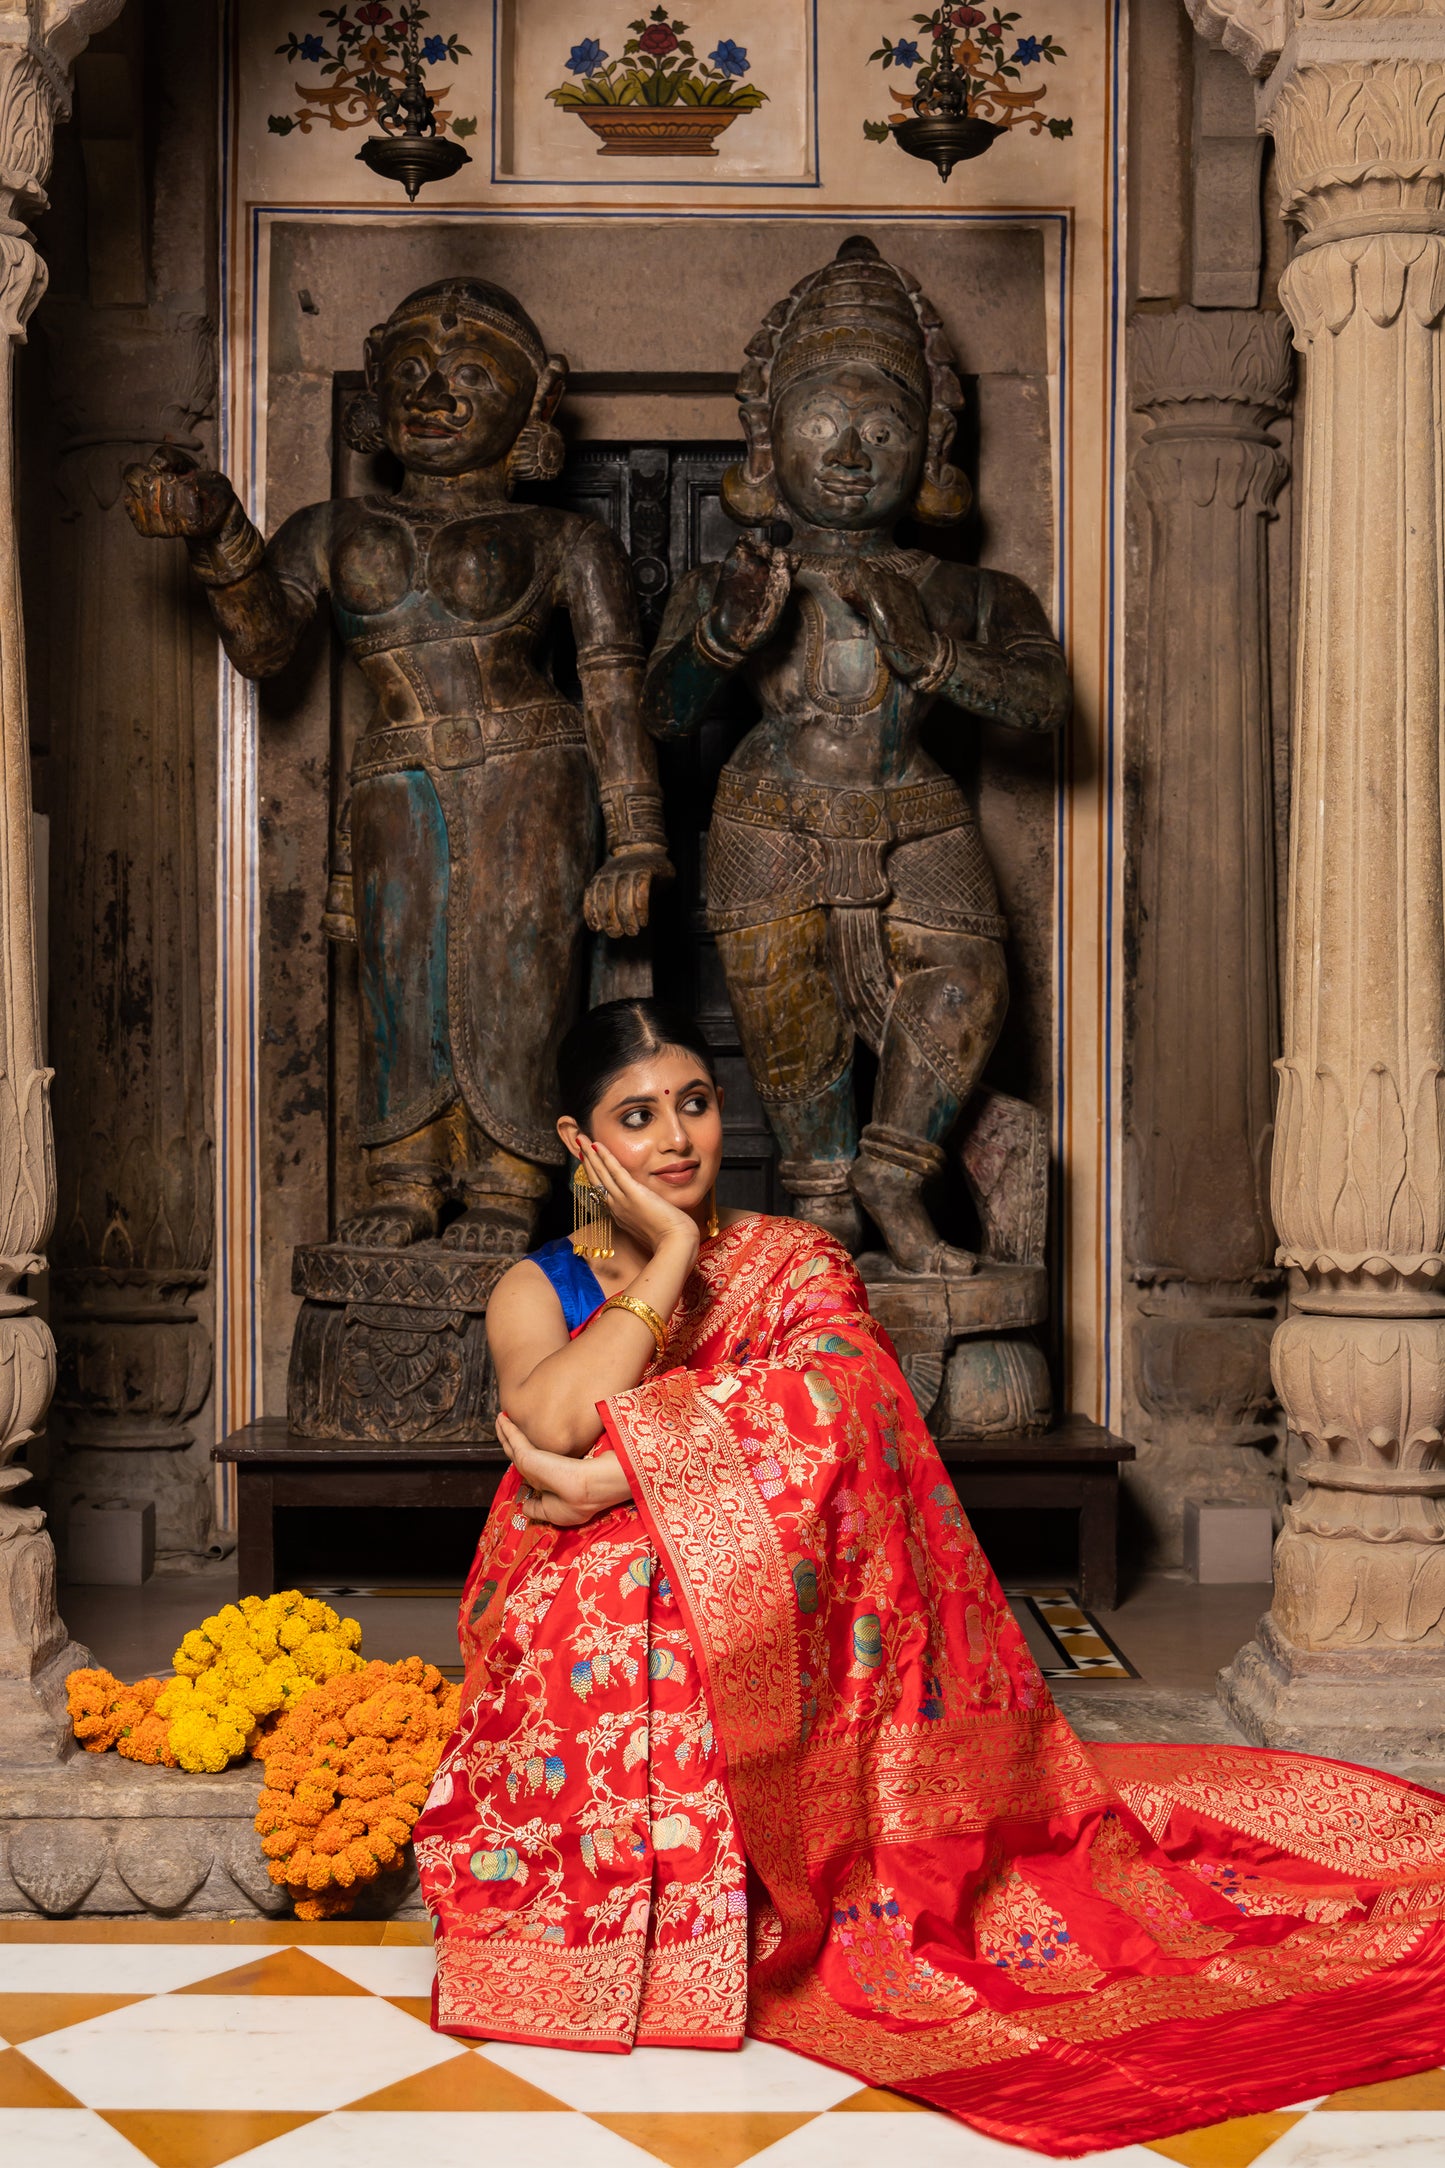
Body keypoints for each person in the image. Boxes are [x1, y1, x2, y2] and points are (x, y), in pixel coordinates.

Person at [414, 998, 1445, 2155]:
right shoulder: (532, 1285)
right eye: (637, 1116)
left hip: (773, 1595)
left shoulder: (796, 1261)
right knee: (599, 1612)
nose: (675, 1140)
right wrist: (666, 1267)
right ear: (577, 1139)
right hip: (590, 1589)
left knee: (712, 1538)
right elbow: (545, 1410)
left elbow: (847, 1410)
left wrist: (625, 1476)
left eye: (693, 1104)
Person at [124, 278, 671, 1257]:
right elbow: (262, 644)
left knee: (519, 973)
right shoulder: (331, 529)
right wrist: (217, 531)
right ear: (377, 391)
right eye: (412, 372)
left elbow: (613, 692)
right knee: (396, 978)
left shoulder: (564, 540)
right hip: (394, 782)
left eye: (472, 375)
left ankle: (509, 1181)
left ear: (532, 402)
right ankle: (407, 1174)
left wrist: (635, 838)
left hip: (533, 778)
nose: (437, 393)